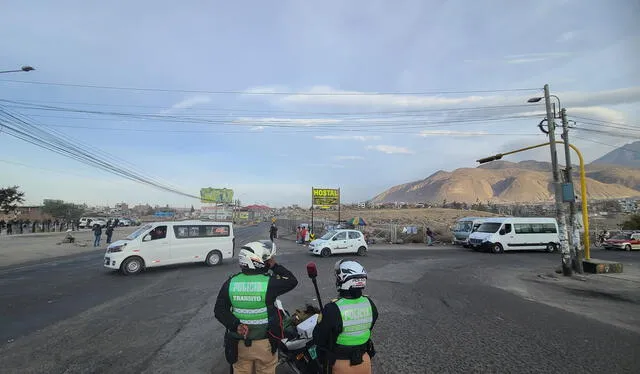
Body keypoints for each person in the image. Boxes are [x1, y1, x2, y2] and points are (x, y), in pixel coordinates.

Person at [214, 240, 298, 374]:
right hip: (265, 344)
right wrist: (274, 265)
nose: (268, 260)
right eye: (265, 258)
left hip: (239, 343)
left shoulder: (230, 283)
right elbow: (292, 280)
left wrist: (236, 325)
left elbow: (219, 310)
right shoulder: (269, 283)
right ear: (257, 261)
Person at [313, 260, 378, 374]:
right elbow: (369, 326)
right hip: (364, 360)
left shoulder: (332, 309)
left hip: (341, 364)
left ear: (343, 281)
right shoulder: (370, 303)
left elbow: (319, 338)